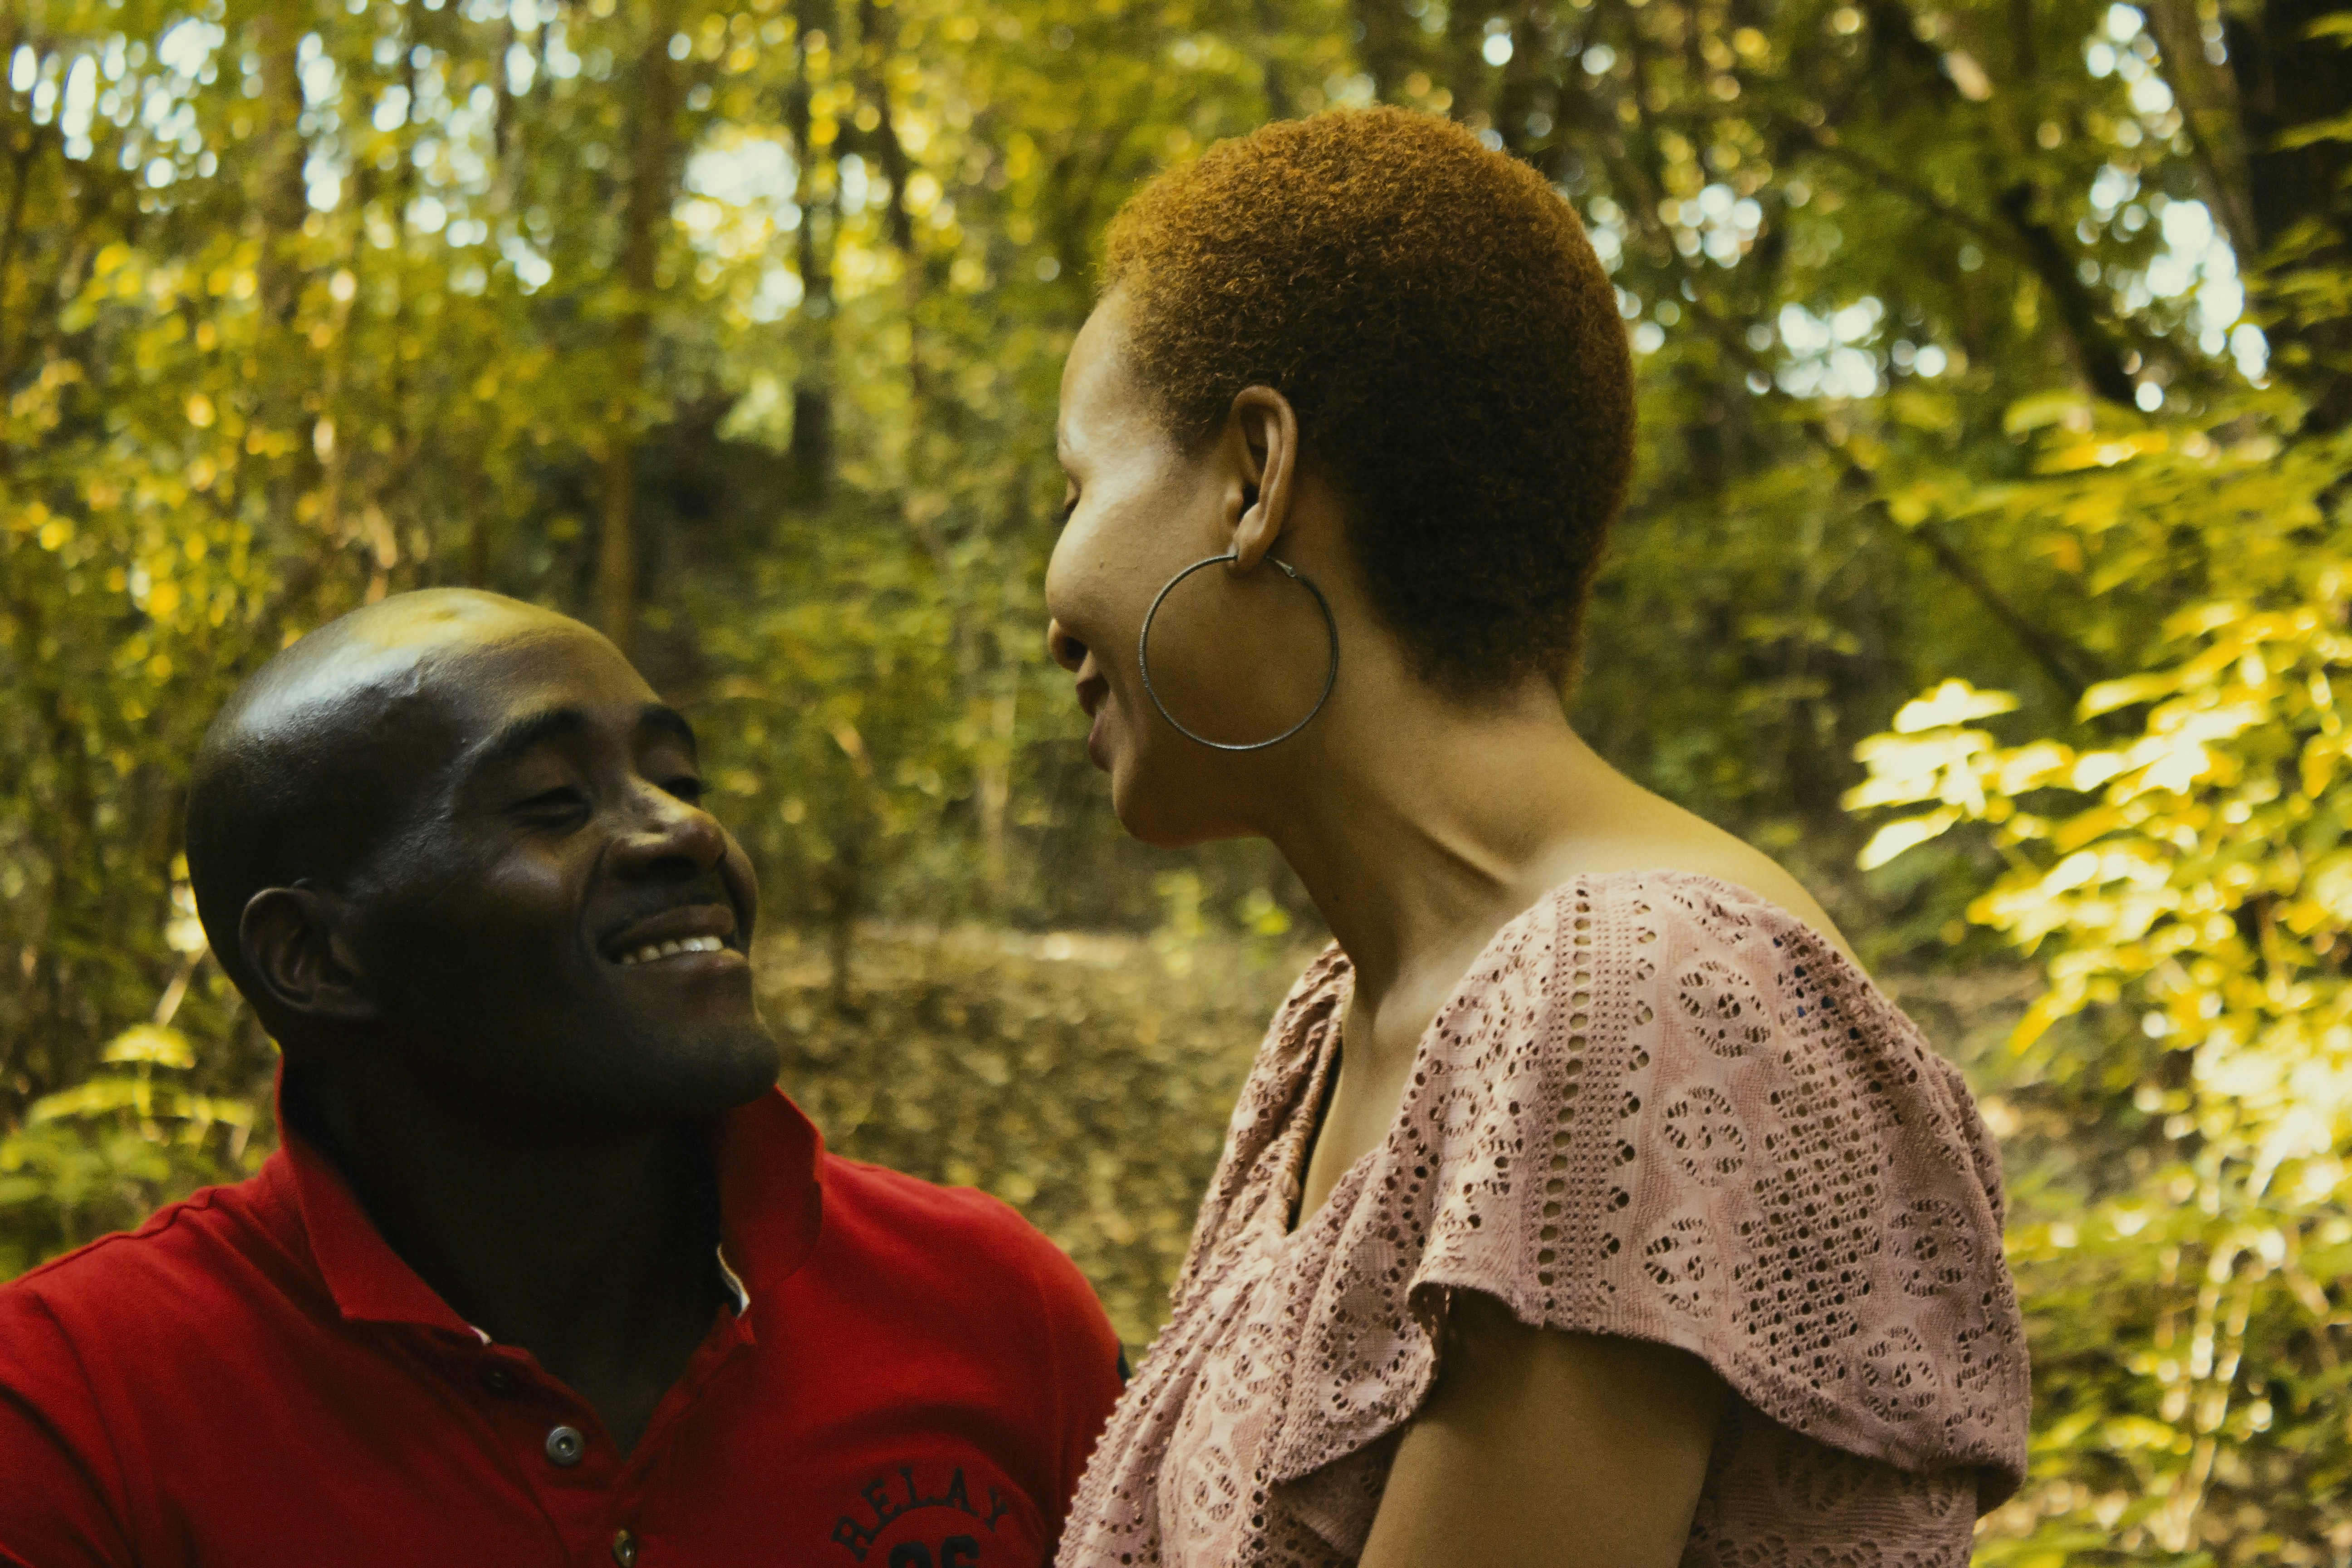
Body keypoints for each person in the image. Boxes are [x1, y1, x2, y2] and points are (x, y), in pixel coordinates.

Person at [1042, 108, 2029, 1568]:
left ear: (1253, 480)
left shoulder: (1645, 1003)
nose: (1048, 586)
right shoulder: (1351, 1020)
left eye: (1075, 488)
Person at [0, 590, 1122, 1568]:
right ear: (315, 956)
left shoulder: (990, 1308)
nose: (685, 829)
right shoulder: (75, 1409)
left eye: (678, 777)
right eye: (552, 804)